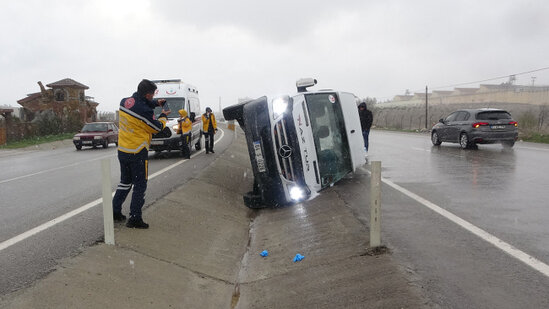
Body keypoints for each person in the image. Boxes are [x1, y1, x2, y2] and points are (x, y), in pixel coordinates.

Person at [112, 79, 170, 229]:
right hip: (137, 152)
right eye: (152, 95)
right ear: (147, 94)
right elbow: (156, 128)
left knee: (125, 182)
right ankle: (135, 218)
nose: (153, 97)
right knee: (140, 185)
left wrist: (156, 103)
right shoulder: (144, 111)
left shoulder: (125, 102)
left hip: (123, 150)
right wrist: (163, 115)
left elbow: (140, 103)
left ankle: (115, 212)